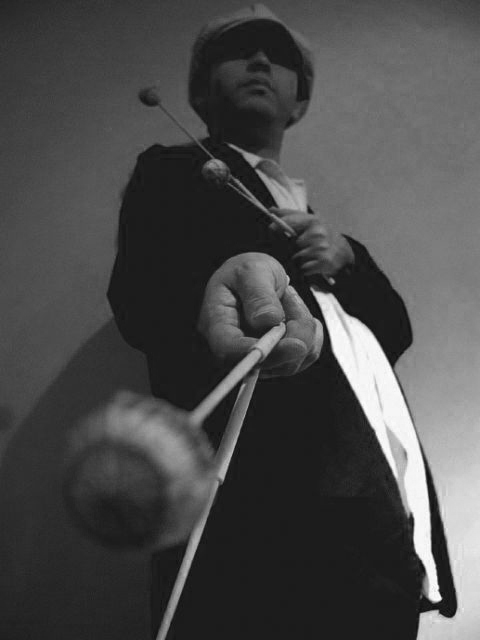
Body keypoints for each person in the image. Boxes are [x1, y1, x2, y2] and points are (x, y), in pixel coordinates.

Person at [107, 5, 457, 638]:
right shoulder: (173, 171)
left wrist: (348, 260)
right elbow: (140, 302)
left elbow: (396, 334)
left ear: (300, 101)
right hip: (262, 515)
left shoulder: (328, 232)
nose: (261, 60)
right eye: (238, 50)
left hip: (380, 519)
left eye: (280, 56)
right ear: (199, 91)